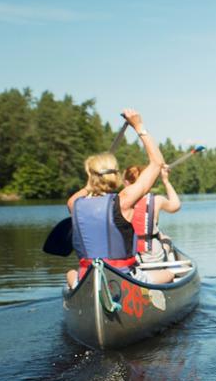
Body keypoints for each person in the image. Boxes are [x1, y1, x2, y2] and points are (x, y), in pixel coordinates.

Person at [65, 109, 174, 288]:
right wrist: (139, 127)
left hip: (88, 278)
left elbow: (87, 188)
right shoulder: (124, 200)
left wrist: (93, 175)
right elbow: (156, 162)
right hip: (124, 277)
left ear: (90, 175)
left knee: (70, 273)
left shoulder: (74, 203)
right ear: (115, 175)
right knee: (169, 274)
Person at [122, 162, 182, 265]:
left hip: (129, 255)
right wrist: (166, 181)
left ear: (126, 183)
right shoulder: (156, 201)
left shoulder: (119, 201)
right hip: (151, 256)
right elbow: (175, 206)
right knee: (166, 239)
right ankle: (170, 269)